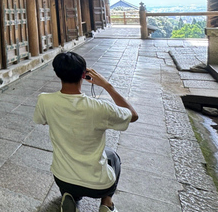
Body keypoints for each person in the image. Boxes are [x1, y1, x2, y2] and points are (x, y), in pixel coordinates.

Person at [33, 52, 139, 212]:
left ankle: (68, 196)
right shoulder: (101, 108)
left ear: (57, 74)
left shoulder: (44, 100)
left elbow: (41, 120)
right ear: (84, 75)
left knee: (68, 163)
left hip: (62, 179)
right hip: (99, 186)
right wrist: (106, 85)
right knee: (113, 157)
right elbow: (133, 115)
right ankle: (106, 203)